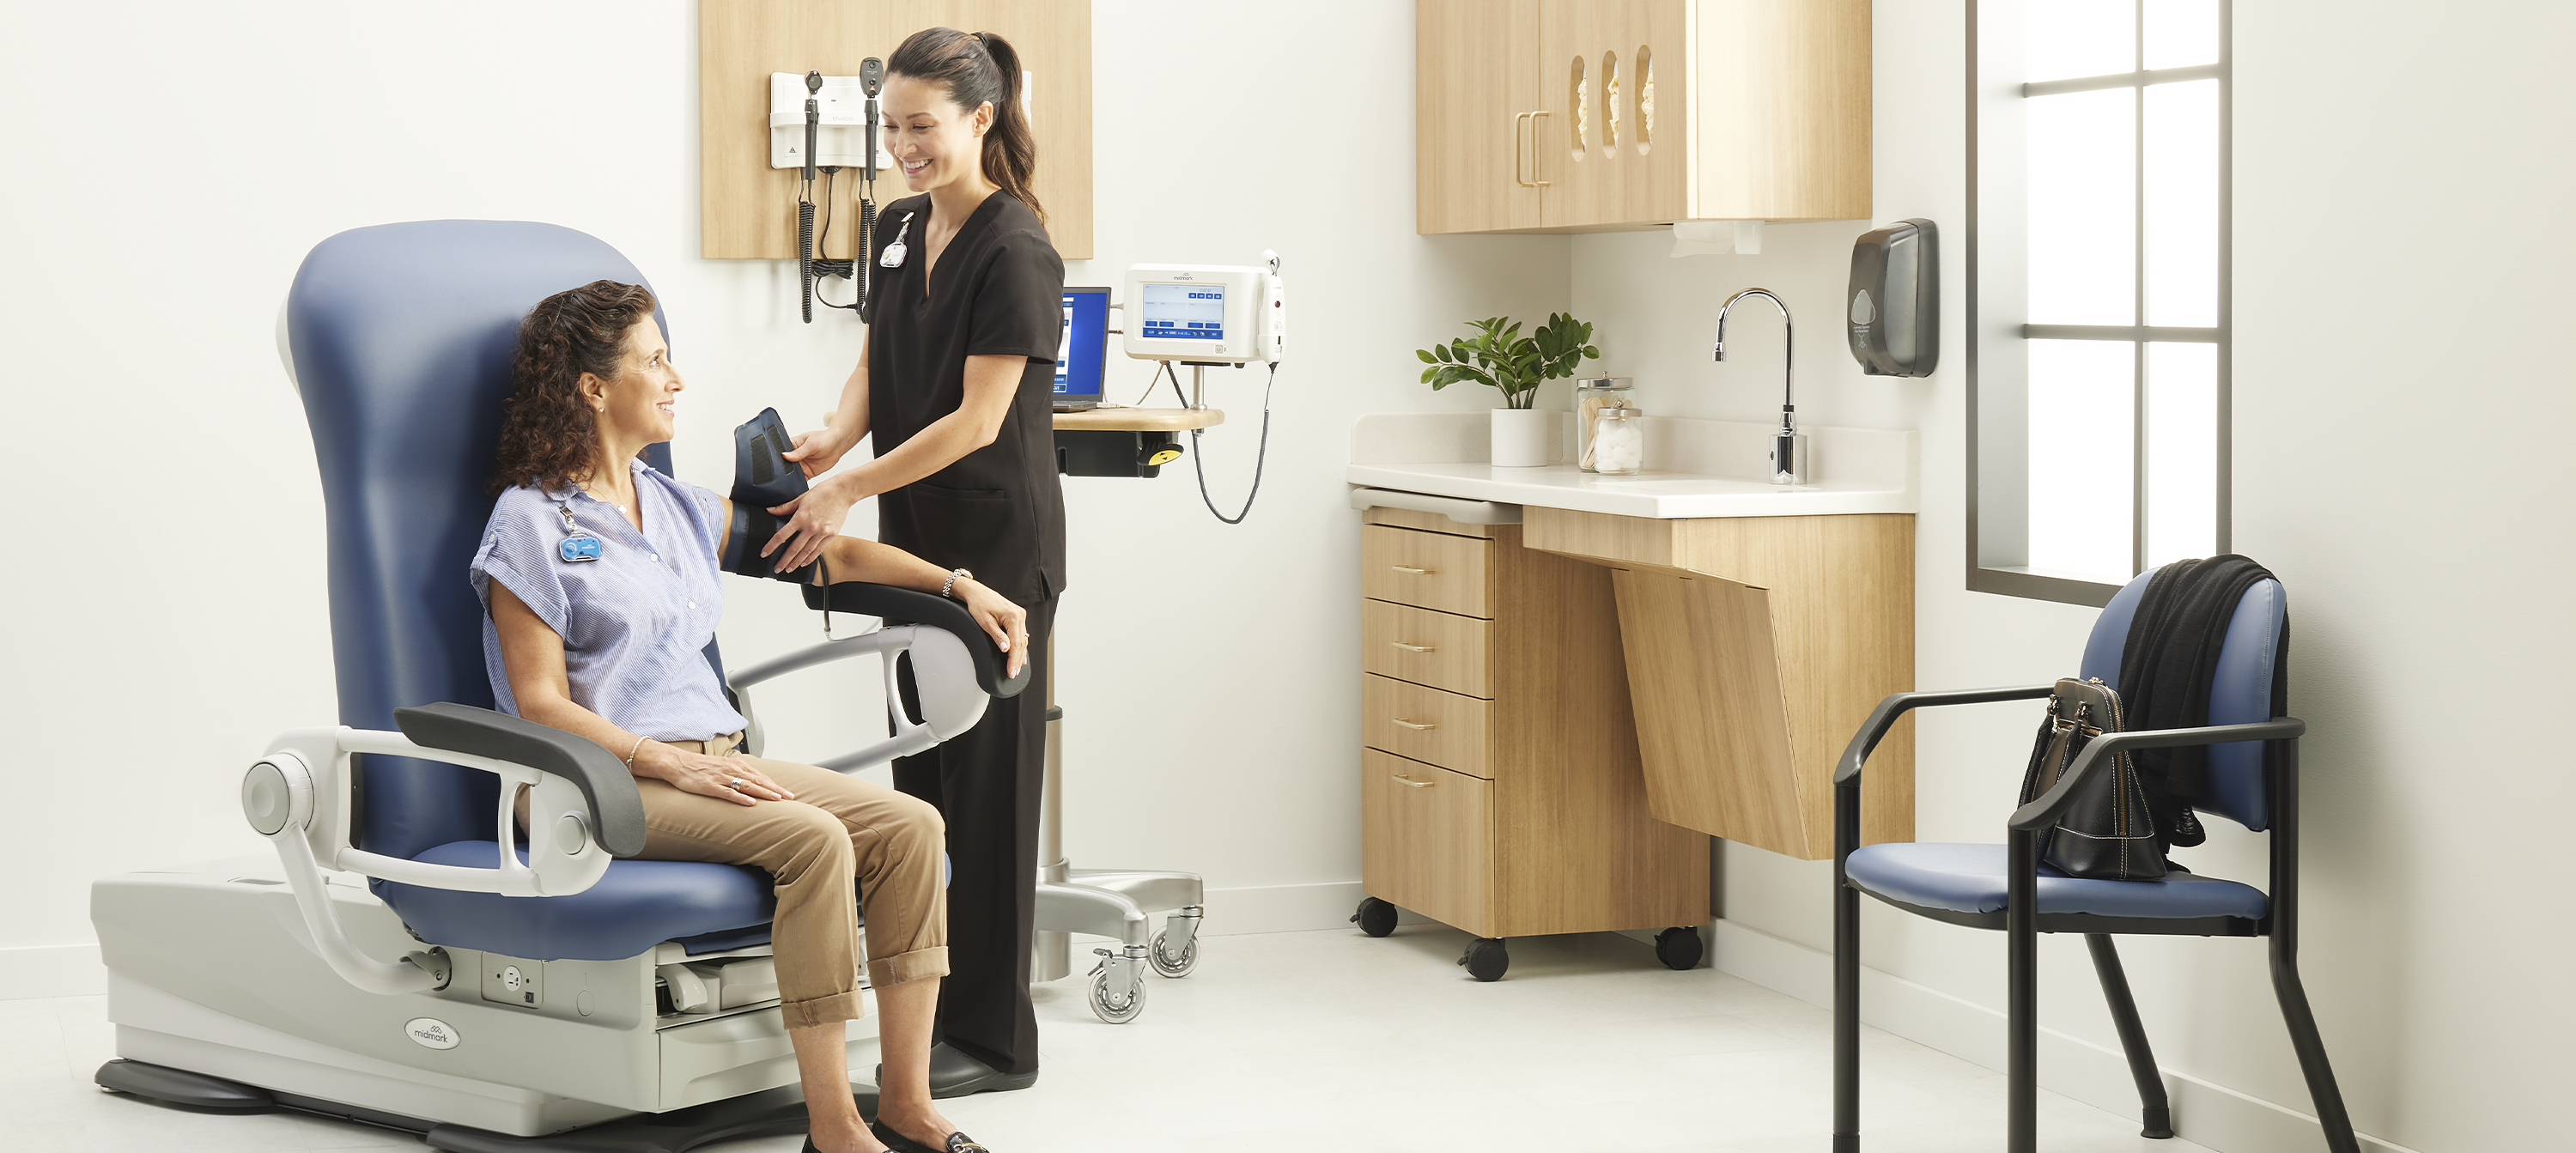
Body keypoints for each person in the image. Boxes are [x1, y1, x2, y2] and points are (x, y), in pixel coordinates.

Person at [472, 280, 1022, 1153]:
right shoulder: (531, 521)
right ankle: (833, 1127)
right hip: (592, 783)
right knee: (814, 839)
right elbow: (539, 700)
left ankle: (906, 1102)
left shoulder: (680, 509)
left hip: (710, 760)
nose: (675, 376)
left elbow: (830, 548)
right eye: (654, 360)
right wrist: (663, 759)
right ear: (592, 387)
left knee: (912, 825)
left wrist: (959, 584)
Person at [756, 27, 1064, 1096]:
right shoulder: (894, 227)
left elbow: (980, 421)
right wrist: (836, 439)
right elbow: (877, 358)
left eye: (922, 128)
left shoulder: (1016, 248)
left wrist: (847, 488)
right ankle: (917, 1034)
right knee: (920, 790)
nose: (903, 148)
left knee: (987, 798)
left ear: (981, 119)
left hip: (997, 553)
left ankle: (992, 1037)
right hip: (912, 545)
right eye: (891, 127)